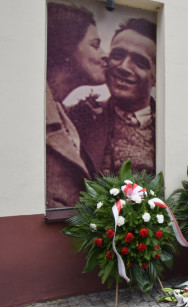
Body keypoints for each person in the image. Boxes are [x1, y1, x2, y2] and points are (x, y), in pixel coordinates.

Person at [75, 18, 157, 175]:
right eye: (118, 55)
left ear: (157, 77)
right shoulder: (79, 119)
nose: (124, 67)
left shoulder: (166, 129)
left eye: (140, 62)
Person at [46, 2, 107, 208]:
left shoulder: (60, 113)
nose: (104, 54)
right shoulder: (37, 115)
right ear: (66, 50)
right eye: (95, 45)